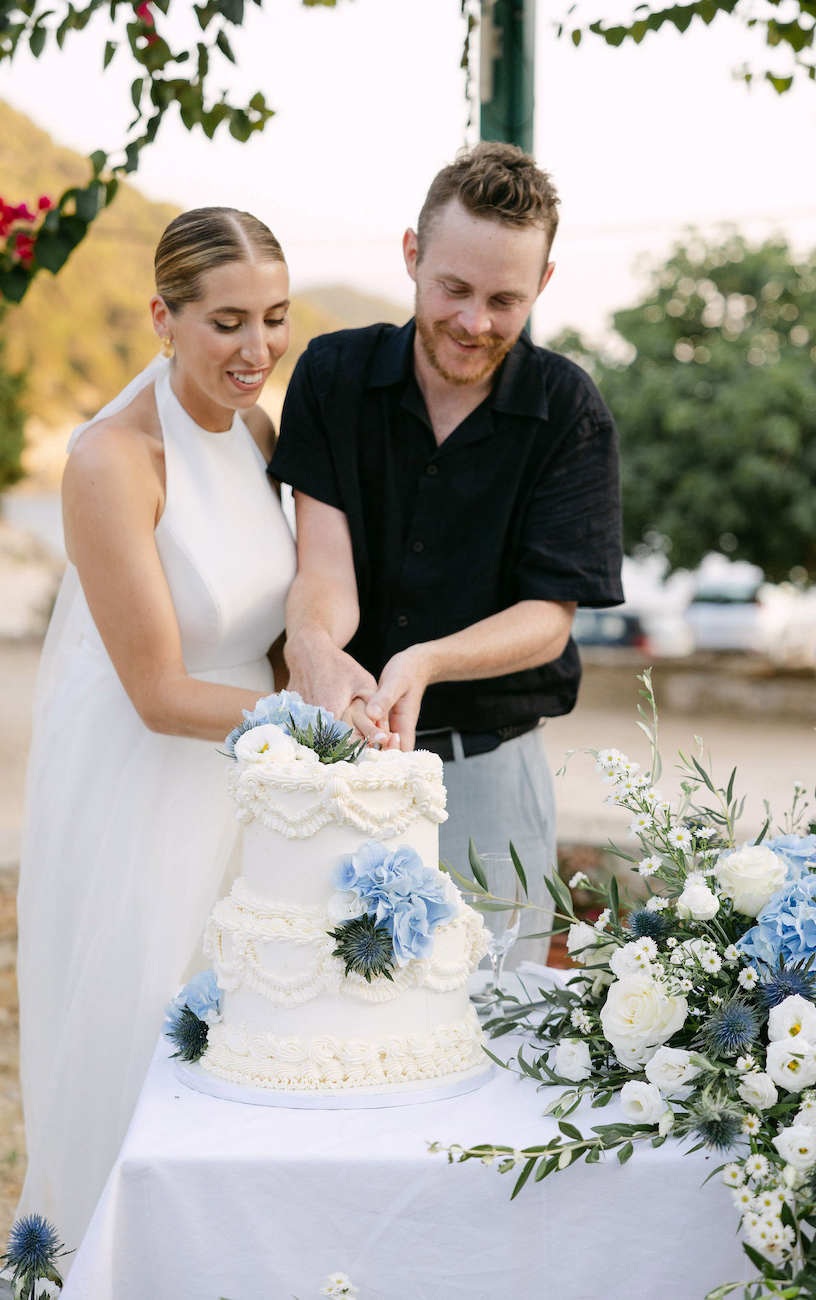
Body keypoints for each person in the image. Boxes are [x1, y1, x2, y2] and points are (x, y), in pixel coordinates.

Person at [16, 207, 297, 1251]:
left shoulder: (257, 429)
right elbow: (159, 690)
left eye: (273, 318)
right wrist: (317, 733)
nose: (256, 350)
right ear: (161, 318)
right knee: (139, 1025)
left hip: (247, 772)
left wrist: (315, 687)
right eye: (226, 322)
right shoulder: (110, 459)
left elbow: (271, 628)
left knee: (242, 1038)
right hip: (145, 773)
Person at [269, 144, 624, 962]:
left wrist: (423, 662)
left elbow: (547, 619)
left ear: (542, 284)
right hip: (340, 762)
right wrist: (315, 647)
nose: (474, 323)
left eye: (504, 299)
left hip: (488, 774)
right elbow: (323, 568)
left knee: (495, 1027)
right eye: (453, 290)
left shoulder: (569, 410)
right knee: (329, 1024)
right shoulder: (331, 372)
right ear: (411, 255)